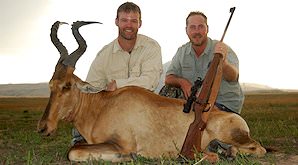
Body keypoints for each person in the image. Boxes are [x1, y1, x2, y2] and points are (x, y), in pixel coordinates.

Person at [72, 1, 163, 145]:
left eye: (134, 21)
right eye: (124, 20)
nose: (129, 25)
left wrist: (118, 85)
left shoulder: (151, 47)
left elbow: (150, 81)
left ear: (140, 24)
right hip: (113, 112)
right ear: (116, 22)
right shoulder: (104, 55)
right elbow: (91, 89)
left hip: (144, 109)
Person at [163, 11, 244, 158]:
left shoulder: (222, 48)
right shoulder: (182, 51)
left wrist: (223, 63)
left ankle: (221, 146)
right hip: (197, 103)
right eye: (192, 27)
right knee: (166, 92)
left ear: (207, 28)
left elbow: (234, 76)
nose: (197, 31)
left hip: (223, 104)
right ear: (186, 30)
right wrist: (182, 82)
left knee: (203, 127)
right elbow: (168, 78)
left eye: (201, 27)